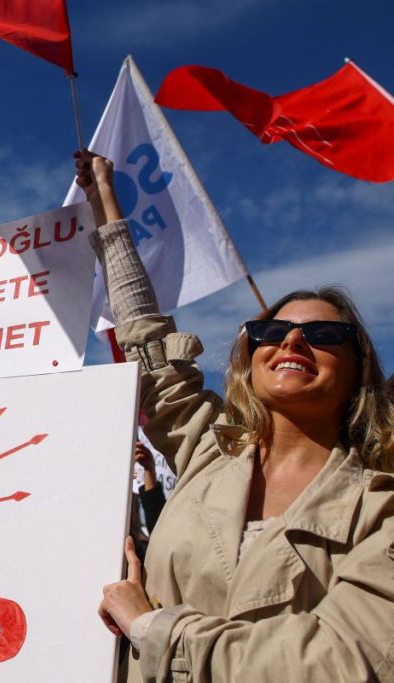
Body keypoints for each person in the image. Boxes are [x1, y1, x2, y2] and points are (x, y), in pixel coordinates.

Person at [77, 151, 394, 682]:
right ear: (252, 357)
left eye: (323, 335)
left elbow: (339, 663)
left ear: (358, 367)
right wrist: (106, 205)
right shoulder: (208, 451)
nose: (293, 341)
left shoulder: (381, 510)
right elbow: (148, 347)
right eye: (273, 332)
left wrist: (153, 629)